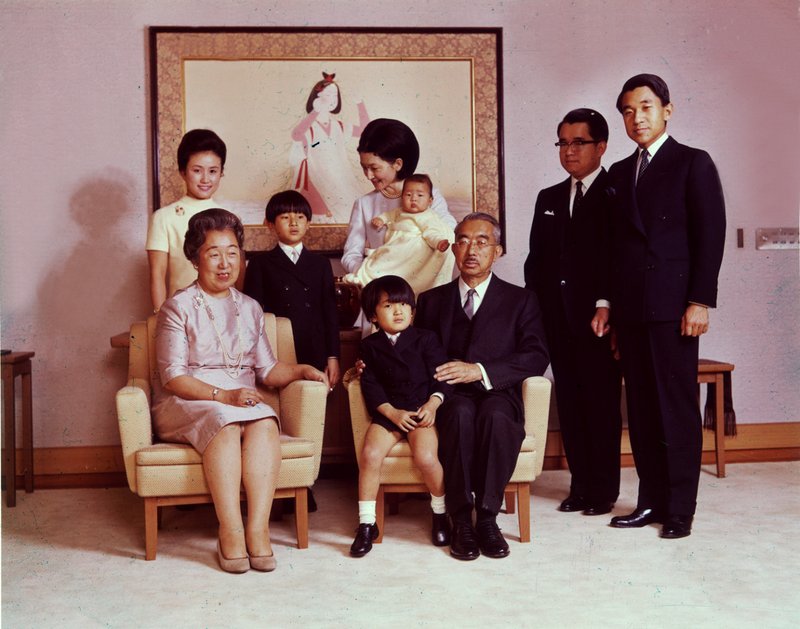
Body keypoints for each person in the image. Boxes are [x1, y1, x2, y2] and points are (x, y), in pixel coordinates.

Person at [152, 208, 328, 573]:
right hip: (188, 399)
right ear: (195, 258)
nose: (224, 262)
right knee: (226, 421)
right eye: (213, 253)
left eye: (232, 252)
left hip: (241, 401)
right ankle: (229, 531)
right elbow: (172, 377)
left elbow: (267, 370)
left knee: (265, 421)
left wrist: (301, 369)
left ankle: (257, 530)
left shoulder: (250, 308)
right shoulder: (178, 307)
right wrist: (225, 396)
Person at [606, 74, 726, 539]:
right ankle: (650, 501)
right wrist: (615, 313)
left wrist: (700, 300)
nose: (637, 118)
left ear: (667, 111)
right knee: (641, 410)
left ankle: (680, 509)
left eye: (647, 107)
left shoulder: (692, 163)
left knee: (675, 409)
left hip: (675, 307)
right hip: (633, 311)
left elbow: (709, 235)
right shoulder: (619, 171)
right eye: (629, 111)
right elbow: (617, 251)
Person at [415, 213, 549, 560]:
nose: (470, 249)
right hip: (448, 395)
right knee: (458, 415)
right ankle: (461, 518)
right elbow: (416, 354)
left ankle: (487, 518)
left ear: (498, 251)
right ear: (454, 248)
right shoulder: (431, 301)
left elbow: (535, 355)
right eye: (462, 240)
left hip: (497, 390)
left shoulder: (521, 300)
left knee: (496, 418)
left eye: (481, 241)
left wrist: (480, 370)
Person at [524, 109, 622, 517]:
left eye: (578, 142)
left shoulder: (617, 192)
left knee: (600, 405)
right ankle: (580, 486)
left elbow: (620, 258)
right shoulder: (548, 197)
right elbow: (535, 262)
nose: (569, 151)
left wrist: (607, 303)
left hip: (599, 321)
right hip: (555, 321)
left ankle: (603, 492)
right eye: (563, 143)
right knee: (572, 405)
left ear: (601, 146)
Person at [349, 275, 452, 557]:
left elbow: (442, 377)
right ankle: (367, 523)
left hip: (420, 409)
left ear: (412, 310)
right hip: (389, 411)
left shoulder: (426, 339)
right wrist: (391, 413)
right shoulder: (370, 346)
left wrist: (432, 404)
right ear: (373, 315)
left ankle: (441, 513)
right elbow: (370, 385)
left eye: (404, 305)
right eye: (389, 306)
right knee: (369, 455)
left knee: (427, 458)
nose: (398, 311)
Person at [243, 190, 341, 389]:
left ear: (309, 223)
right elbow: (251, 315)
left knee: (312, 405)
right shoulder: (259, 264)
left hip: (315, 346)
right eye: (285, 217)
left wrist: (333, 356)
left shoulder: (321, 264)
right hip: (278, 346)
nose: (294, 223)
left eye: (300, 217)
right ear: (270, 224)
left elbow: (329, 312)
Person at [341, 118, 456, 277]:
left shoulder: (430, 196)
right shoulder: (363, 204)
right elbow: (351, 255)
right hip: (381, 292)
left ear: (398, 164)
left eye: (374, 168)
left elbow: (449, 231)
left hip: (424, 289)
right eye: (364, 167)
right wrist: (368, 275)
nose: (368, 175)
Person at [146, 129, 227, 312]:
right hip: (181, 311)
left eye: (213, 171)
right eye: (197, 170)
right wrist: (162, 317)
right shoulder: (164, 217)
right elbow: (157, 274)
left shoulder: (229, 216)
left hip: (225, 311)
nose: (205, 179)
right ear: (183, 171)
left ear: (221, 172)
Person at [342, 174, 455, 295]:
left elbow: (431, 232)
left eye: (420, 195)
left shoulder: (428, 216)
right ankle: (363, 277)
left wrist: (439, 242)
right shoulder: (396, 210)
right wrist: (380, 220)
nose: (413, 199)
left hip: (407, 251)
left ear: (430, 201)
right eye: (408, 195)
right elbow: (388, 215)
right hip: (392, 246)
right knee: (380, 262)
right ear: (402, 197)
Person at [291, 72, 370, 223]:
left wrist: (360, 103)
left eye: (335, 95)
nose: (332, 99)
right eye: (328, 94)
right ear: (316, 98)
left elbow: (366, 129)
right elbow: (296, 135)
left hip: (340, 175)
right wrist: (315, 112)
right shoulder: (310, 125)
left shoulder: (339, 126)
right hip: (317, 175)